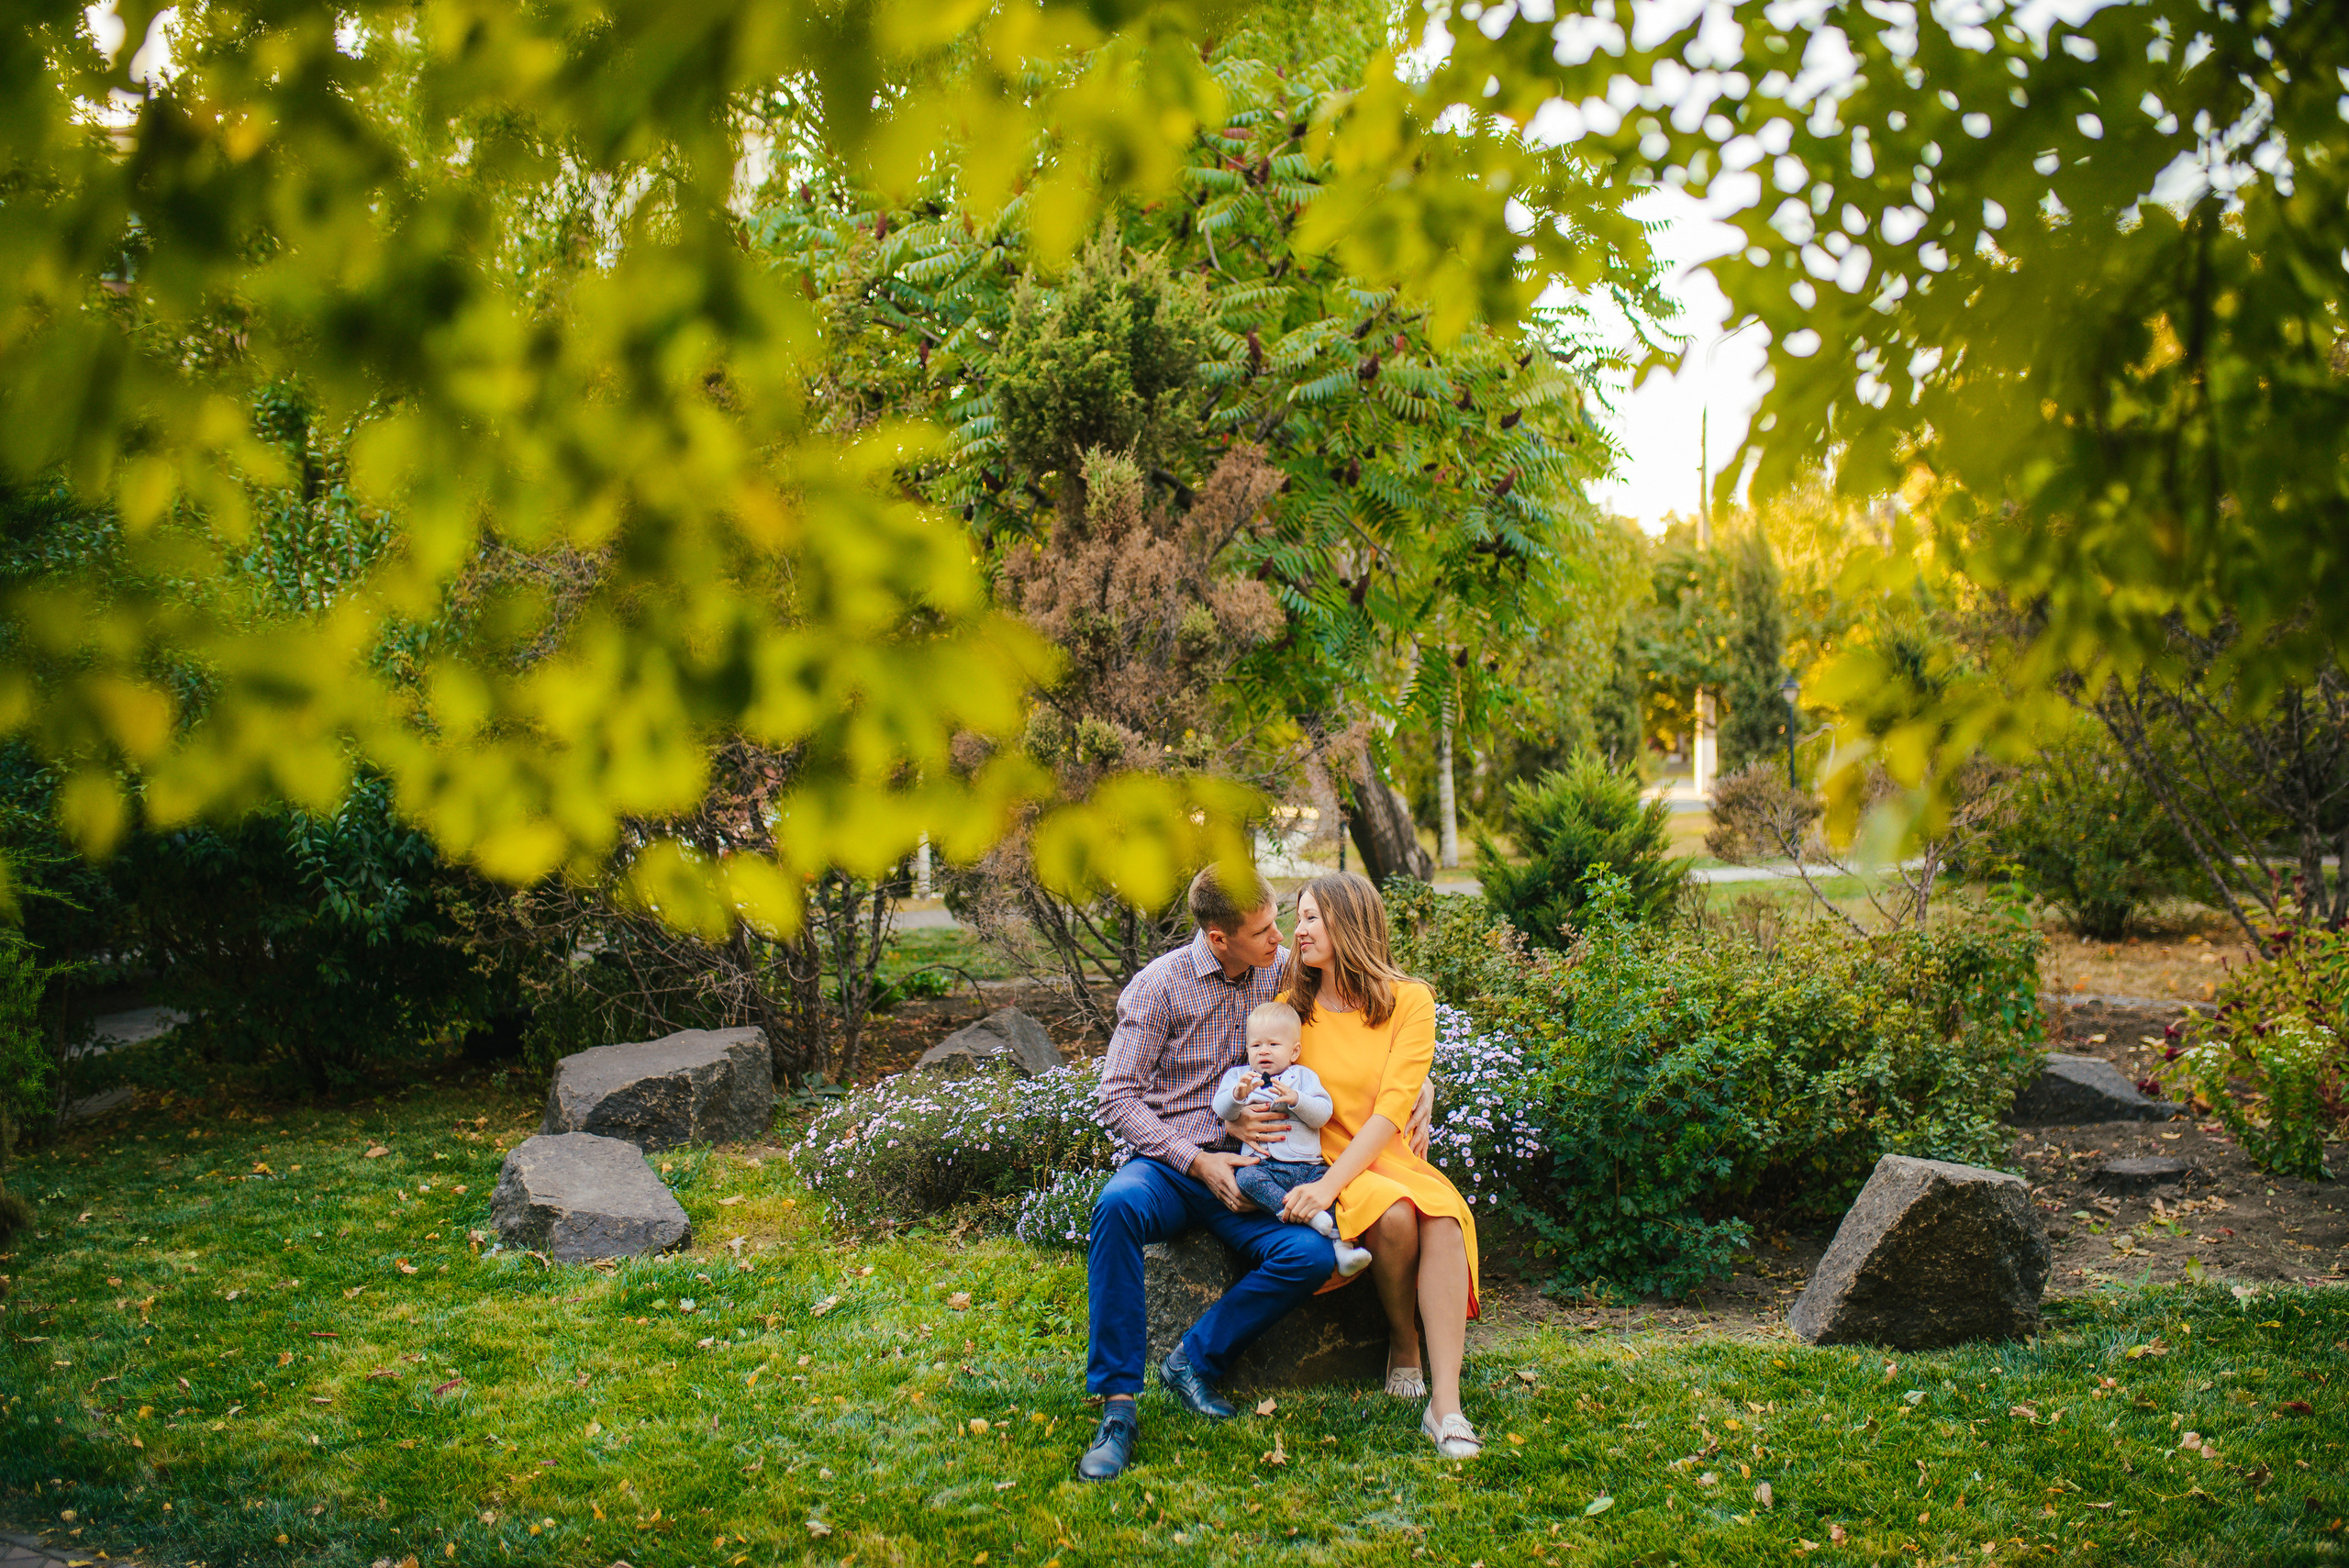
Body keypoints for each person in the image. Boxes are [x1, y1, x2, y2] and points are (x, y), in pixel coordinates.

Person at [1077, 863, 1432, 1483]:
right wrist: (1197, 1158)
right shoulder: (1158, 987)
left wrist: (1422, 1080)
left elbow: (1364, 1016)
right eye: (1265, 929)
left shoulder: (1279, 974)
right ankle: (1117, 1408)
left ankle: (1193, 1360)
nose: (1283, 938)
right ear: (1220, 938)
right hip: (1172, 1165)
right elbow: (1117, 1098)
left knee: (1312, 1255)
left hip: (1258, 1174)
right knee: (1115, 1207)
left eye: (1280, 922)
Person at [1277, 870, 1484, 1459]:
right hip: (1319, 1159)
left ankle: (1445, 1406)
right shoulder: (1288, 1005)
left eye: (1312, 916)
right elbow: (1257, 1074)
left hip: (1387, 1156)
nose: (1300, 929)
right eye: (1299, 916)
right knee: (1393, 1216)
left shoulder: (1409, 1001)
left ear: (1349, 919)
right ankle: (1403, 1340)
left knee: (1442, 1213)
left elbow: (1394, 1110)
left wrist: (1426, 1088)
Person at [1208, 1000, 1375, 1278]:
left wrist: (1297, 1100)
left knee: (1338, 1191)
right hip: (1262, 1167)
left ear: (1294, 1050)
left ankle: (1343, 1248)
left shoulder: (1303, 1078)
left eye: (1273, 1045)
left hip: (1308, 1166)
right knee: (1246, 1180)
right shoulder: (1239, 1077)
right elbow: (1221, 1110)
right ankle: (1308, 1218)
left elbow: (1322, 1114)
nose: (1264, 1051)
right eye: (1256, 1045)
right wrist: (1237, 1096)